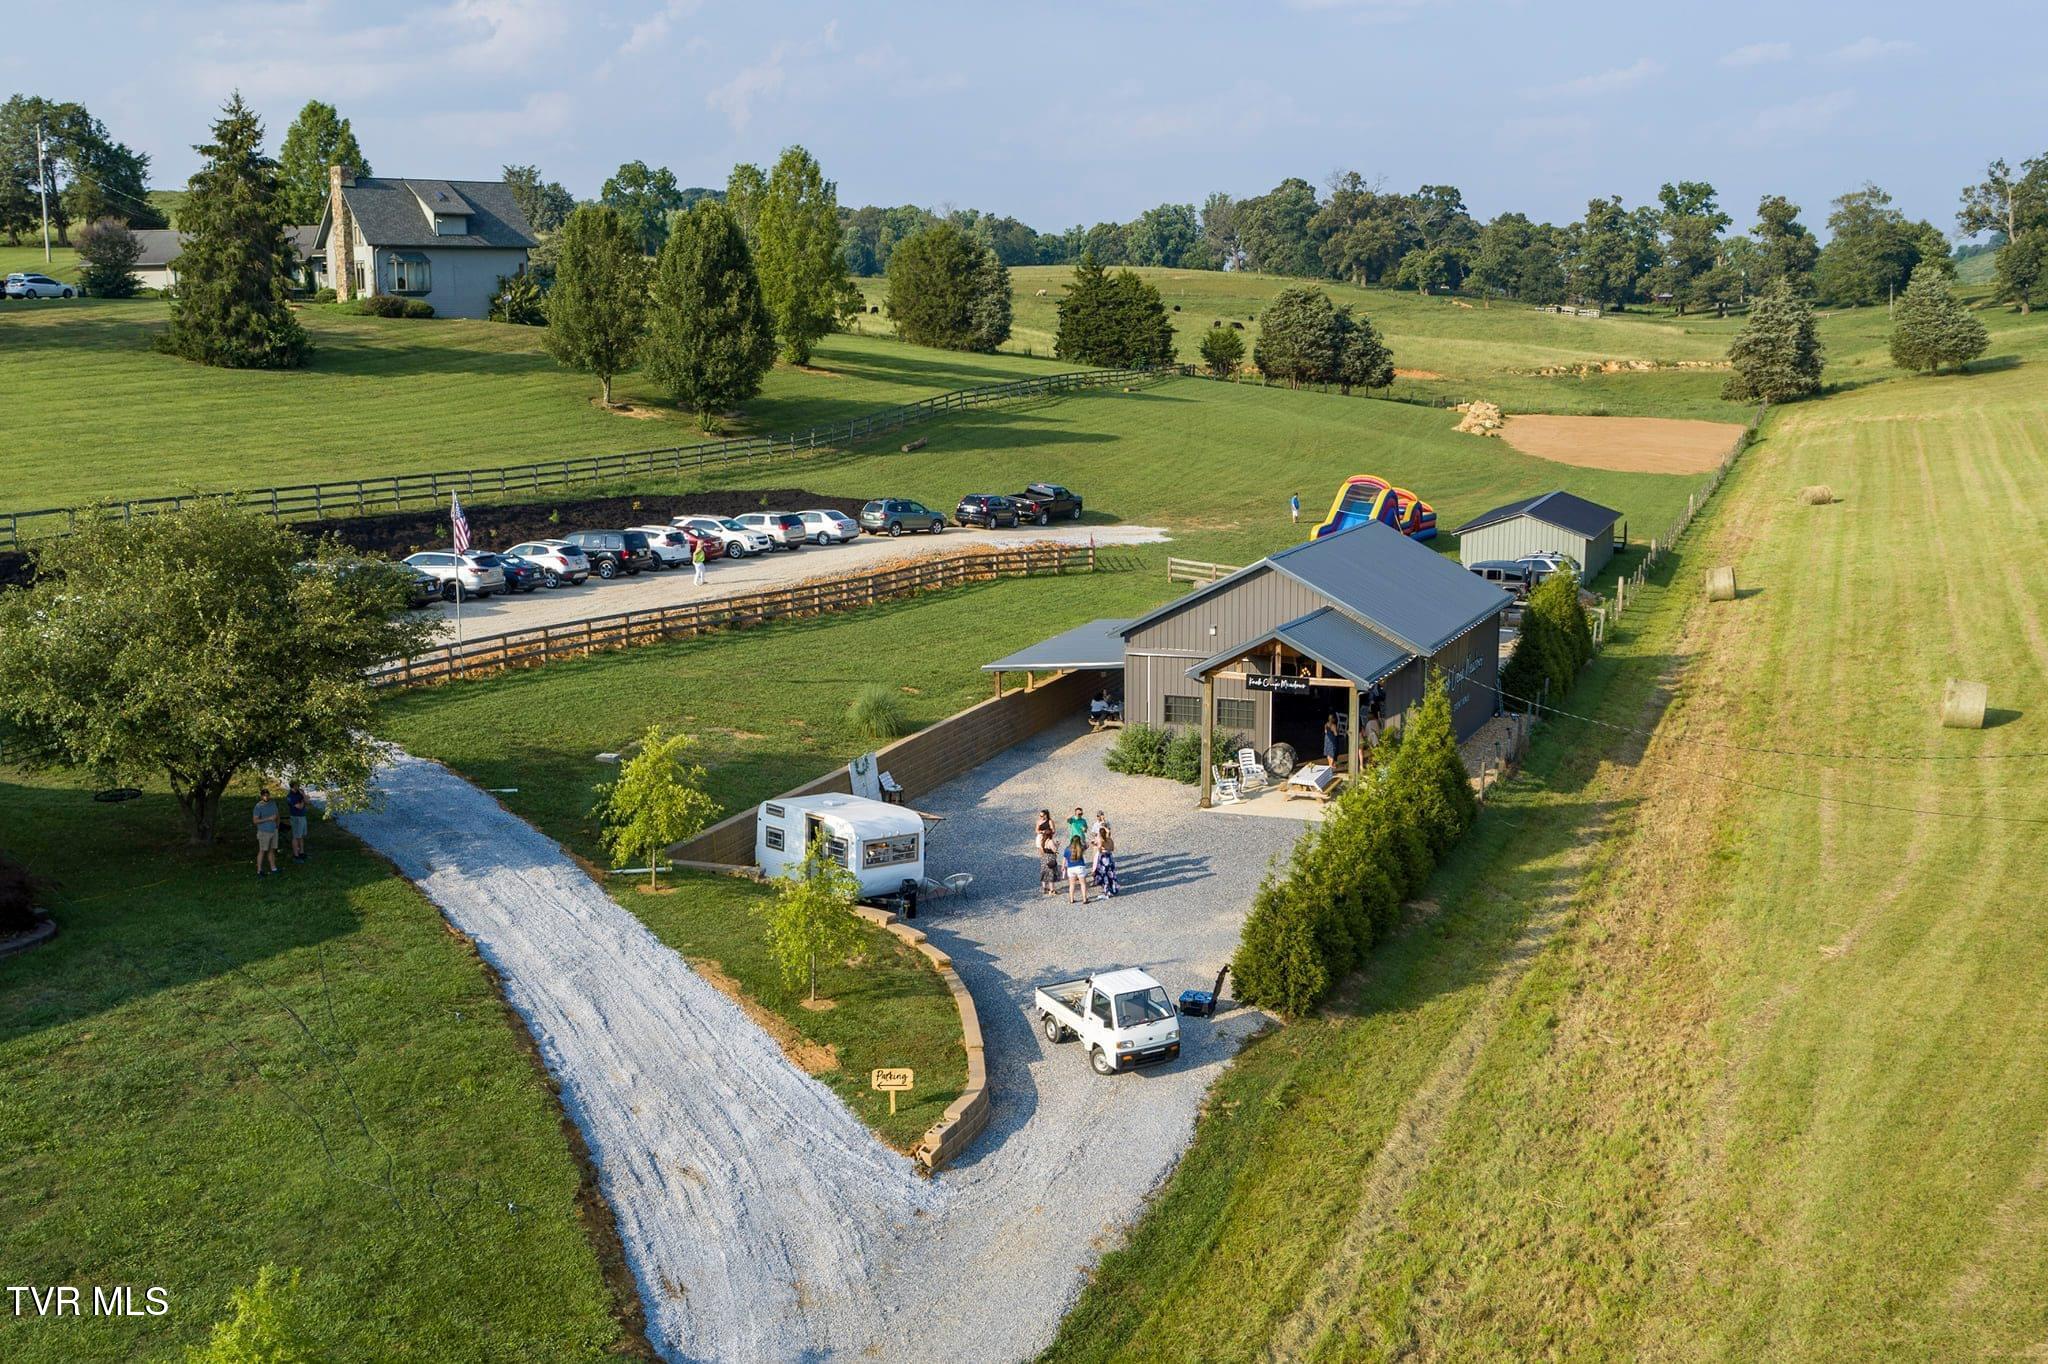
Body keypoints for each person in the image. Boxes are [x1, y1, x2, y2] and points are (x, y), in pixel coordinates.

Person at [252, 786, 281, 878]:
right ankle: (259, 870)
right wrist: (268, 819)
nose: (266, 797)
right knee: (262, 850)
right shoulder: (258, 806)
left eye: (267, 795)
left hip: (273, 830)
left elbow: (277, 815)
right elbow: (255, 821)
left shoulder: (273, 803)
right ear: (261, 796)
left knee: (272, 850)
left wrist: (277, 824)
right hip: (264, 832)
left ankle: (273, 868)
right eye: (264, 795)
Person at [285, 781, 310, 862]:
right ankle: (296, 855)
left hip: (302, 816)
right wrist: (303, 800)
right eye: (297, 785)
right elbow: (299, 806)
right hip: (296, 818)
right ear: (293, 786)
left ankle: (301, 852)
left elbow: (308, 801)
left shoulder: (299, 794)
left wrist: (303, 795)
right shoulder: (290, 796)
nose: (299, 786)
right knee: (296, 836)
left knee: (301, 835)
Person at [1093, 820, 1119, 897]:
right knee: (1111, 873)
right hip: (1109, 856)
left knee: (1104, 874)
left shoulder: (1101, 840)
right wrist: (1104, 827)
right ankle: (1113, 889)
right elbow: (1112, 848)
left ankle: (1106, 890)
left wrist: (1096, 845)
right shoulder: (1110, 840)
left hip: (1104, 857)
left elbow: (1100, 849)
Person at [1062, 836, 1090, 904]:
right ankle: (1084, 899)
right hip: (1080, 867)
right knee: (1083, 884)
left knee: (1072, 885)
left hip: (1071, 868)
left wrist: (1063, 866)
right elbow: (1087, 845)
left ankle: (1071, 899)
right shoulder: (1081, 848)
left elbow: (1064, 859)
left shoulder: (1067, 849)